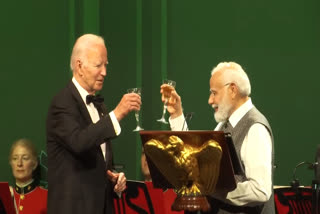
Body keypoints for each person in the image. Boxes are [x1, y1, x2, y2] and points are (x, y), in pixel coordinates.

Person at [160, 62, 274, 214]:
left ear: (233, 90)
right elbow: (194, 156)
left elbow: (260, 190)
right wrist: (176, 115)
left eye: (214, 93)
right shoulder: (224, 124)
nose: (210, 100)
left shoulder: (255, 127)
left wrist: (210, 188)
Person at [46, 34, 141, 214]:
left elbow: (94, 158)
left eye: (106, 65)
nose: (104, 72)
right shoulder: (62, 102)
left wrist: (112, 177)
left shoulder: (99, 105)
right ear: (80, 66)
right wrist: (117, 113)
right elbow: (79, 142)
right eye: (99, 65)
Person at [9, 138, 47, 214]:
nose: (19, 163)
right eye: (15, 158)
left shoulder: (46, 198)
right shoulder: (4, 197)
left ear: (34, 164)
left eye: (25, 158)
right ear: (11, 163)